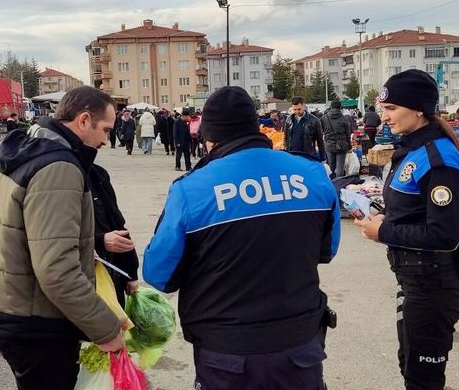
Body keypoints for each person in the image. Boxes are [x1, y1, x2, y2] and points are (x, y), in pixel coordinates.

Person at [143, 86, 340, 390]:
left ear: (209, 137)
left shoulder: (191, 189)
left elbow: (159, 275)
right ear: (256, 126)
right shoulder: (312, 174)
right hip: (299, 345)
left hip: (227, 353)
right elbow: (328, 250)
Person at [0, 86, 125, 390]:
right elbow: (56, 271)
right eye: (105, 130)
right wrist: (105, 328)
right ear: (84, 120)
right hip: (31, 318)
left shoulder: (27, 147)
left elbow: (26, 233)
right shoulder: (58, 167)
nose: (105, 140)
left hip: (2, 299)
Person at [353, 69, 459, 390]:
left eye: (391, 109)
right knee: (410, 366)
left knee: (423, 380)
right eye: (383, 108)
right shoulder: (413, 148)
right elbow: (412, 209)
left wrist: (384, 231)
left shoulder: (437, 157)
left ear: (418, 109)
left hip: (432, 283)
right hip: (413, 279)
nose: (383, 117)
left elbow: (444, 235)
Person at [90, 163, 139, 306]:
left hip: (110, 272)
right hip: (80, 280)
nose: (105, 141)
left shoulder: (97, 174)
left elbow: (116, 223)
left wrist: (131, 272)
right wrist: (99, 241)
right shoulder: (51, 175)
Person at [284, 96, 326, 161]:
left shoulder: (314, 121)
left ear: (304, 106)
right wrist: (286, 151)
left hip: (307, 156)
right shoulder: (289, 119)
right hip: (292, 155)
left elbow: (320, 141)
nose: (297, 112)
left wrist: (323, 158)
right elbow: (286, 137)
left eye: (299, 109)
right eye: (294, 109)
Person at [320, 99, 353, 177]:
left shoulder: (324, 118)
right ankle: (339, 184)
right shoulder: (344, 118)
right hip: (342, 145)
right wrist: (349, 146)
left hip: (329, 145)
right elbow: (348, 134)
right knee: (340, 167)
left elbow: (321, 131)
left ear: (331, 107)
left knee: (331, 166)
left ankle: (332, 183)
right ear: (340, 107)